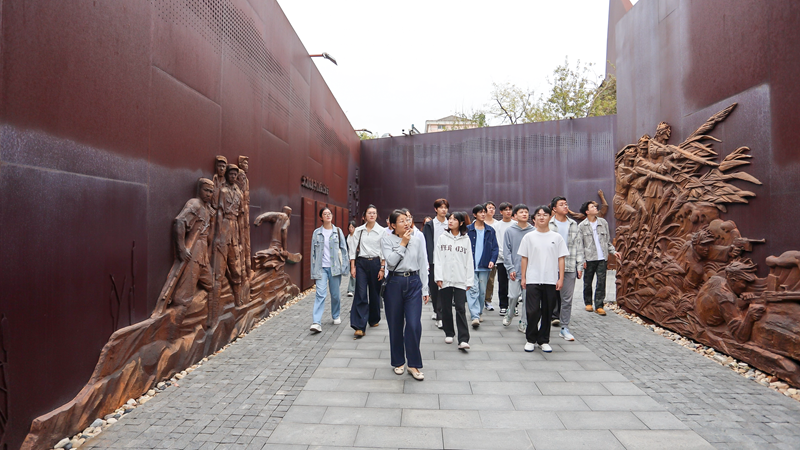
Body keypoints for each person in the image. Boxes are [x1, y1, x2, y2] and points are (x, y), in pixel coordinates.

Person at [382, 210, 430, 380]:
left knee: (413, 324)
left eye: (407, 220)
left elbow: (423, 264)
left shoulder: (417, 240)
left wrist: (425, 289)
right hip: (394, 283)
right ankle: (398, 361)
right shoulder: (386, 240)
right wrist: (403, 243)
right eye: (401, 221)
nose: (406, 223)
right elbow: (391, 261)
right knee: (395, 324)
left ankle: (414, 364)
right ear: (393, 225)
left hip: (414, 283)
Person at [518, 205, 569, 353]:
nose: (542, 217)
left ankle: (544, 340)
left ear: (550, 217)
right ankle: (530, 339)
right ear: (534, 218)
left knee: (547, 311)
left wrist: (561, 278)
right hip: (533, 279)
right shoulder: (528, 237)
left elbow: (561, 259)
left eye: (545, 215)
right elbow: (524, 258)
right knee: (532, 311)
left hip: (550, 279)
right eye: (539, 215)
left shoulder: (556, 237)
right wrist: (524, 277)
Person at [434, 212, 473, 349]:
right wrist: (438, 276)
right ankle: (449, 332)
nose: (450, 221)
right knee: (445, 307)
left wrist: (469, 280)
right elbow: (437, 259)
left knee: (461, 308)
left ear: (461, 223)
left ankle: (463, 339)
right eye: (449, 219)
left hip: (460, 279)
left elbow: (469, 261)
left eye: (454, 219)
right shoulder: (442, 238)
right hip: (445, 279)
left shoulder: (466, 239)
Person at [548, 196, 584, 341]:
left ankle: (564, 327)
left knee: (567, 299)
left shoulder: (573, 224)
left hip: (569, 265)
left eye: (566, 204)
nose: (565, 206)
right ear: (554, 208)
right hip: (549, 267)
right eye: (561, 204)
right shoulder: (548, 224)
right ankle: (544, 325)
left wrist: (580, 265)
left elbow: (578, 246)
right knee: (547, 298)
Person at [578, 201, 621, 317]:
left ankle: (599, 305)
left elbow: (607, 240)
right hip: (589, 258)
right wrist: (582, 260)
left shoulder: (603, 223)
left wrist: (613, 251)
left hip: (602, 258)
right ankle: (588, 303)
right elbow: (580, 245)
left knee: (601, 282)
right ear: (587, 212)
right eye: (592, 207)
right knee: (588, 282)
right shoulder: (582, 226)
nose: (595, 208)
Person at [309, 207, 348, 333]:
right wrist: (313, 270)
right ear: (321, 217)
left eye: (329, 213)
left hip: (335, 268)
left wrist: (344, 267)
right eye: (325, 214)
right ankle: (316, 322)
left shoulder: (337, 231)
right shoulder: (316, 233)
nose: (328, 215)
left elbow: (344, 249)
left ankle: (336, 315)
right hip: (321, 269)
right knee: (320, 294)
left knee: (335, 295)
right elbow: (313, 254)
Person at [349, 205, 385, 337]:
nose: (372, 215)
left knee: (375, 293)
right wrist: (353, 267)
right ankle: (359, 326)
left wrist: (382, 268)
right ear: (364, 216)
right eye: (369, 213)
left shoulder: (381, 231)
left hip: (376, 263)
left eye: (374, 213)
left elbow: (384, 250)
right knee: (361, 293)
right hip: (362, 264)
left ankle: (374, 318)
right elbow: (352, 250)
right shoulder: (359, 231)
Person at [503, 204, 535, 332]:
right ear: (515, 216)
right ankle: (510, 313)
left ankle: (524, 321)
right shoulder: (509, 231)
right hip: (514, 271)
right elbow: (507, 251)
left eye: (526, 212)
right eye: (521, 212)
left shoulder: (533, 231)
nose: (524, 214)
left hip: (530, 272)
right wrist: (510, 268)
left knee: (528, 299)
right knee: (513, 296)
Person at [467, 204, 498, 328]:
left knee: (482, 291)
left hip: (485, 265)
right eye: (480, 212)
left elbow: (495, 248)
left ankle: (479, 312)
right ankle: (474, 315)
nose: (483, 214)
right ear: (475, 214)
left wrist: (492, 260)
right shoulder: (468, 229)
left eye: (484, 212)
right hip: (470, 265)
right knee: (472, 289)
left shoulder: (490, 230)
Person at [423, 198, 450, 329]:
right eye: (441, 207)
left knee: (444, 288)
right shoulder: (430, 225)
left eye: (445, 207)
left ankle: (441, 315)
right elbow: (426, 244)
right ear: (436, 209)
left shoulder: (450, 223)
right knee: (434, 288)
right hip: (433, 261)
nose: (444, 210)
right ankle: (437, 311)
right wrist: (426, 261)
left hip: (448, 261)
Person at [493, 202, 514, 316]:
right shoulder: (497, 226)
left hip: (515, 260)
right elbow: (496, 242)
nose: (508, 211)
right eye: (505, 210)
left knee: (514, 284)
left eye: (510, 209)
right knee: (502, 283)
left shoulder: (516, 224)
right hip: (501, 260)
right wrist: (504, 255)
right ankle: (503, 306)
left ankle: (513, 306)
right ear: (501, 212)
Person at [483, 201, 498, 311]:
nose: (492, 210)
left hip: (492, 257)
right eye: (489, 208)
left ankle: (488, 300)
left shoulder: (497, 224)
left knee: (490, 281)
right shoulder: (478, 222)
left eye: (493, 208)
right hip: (480, 256)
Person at [346, 221, 357, 297]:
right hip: (349, 257)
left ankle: (351, 289)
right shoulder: (347, 237)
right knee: (352, 273)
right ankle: (352, 289)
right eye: (350, 227)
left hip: (357, 257)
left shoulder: (357, 236)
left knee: (354, 274)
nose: (351, 229)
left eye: (352, 227)